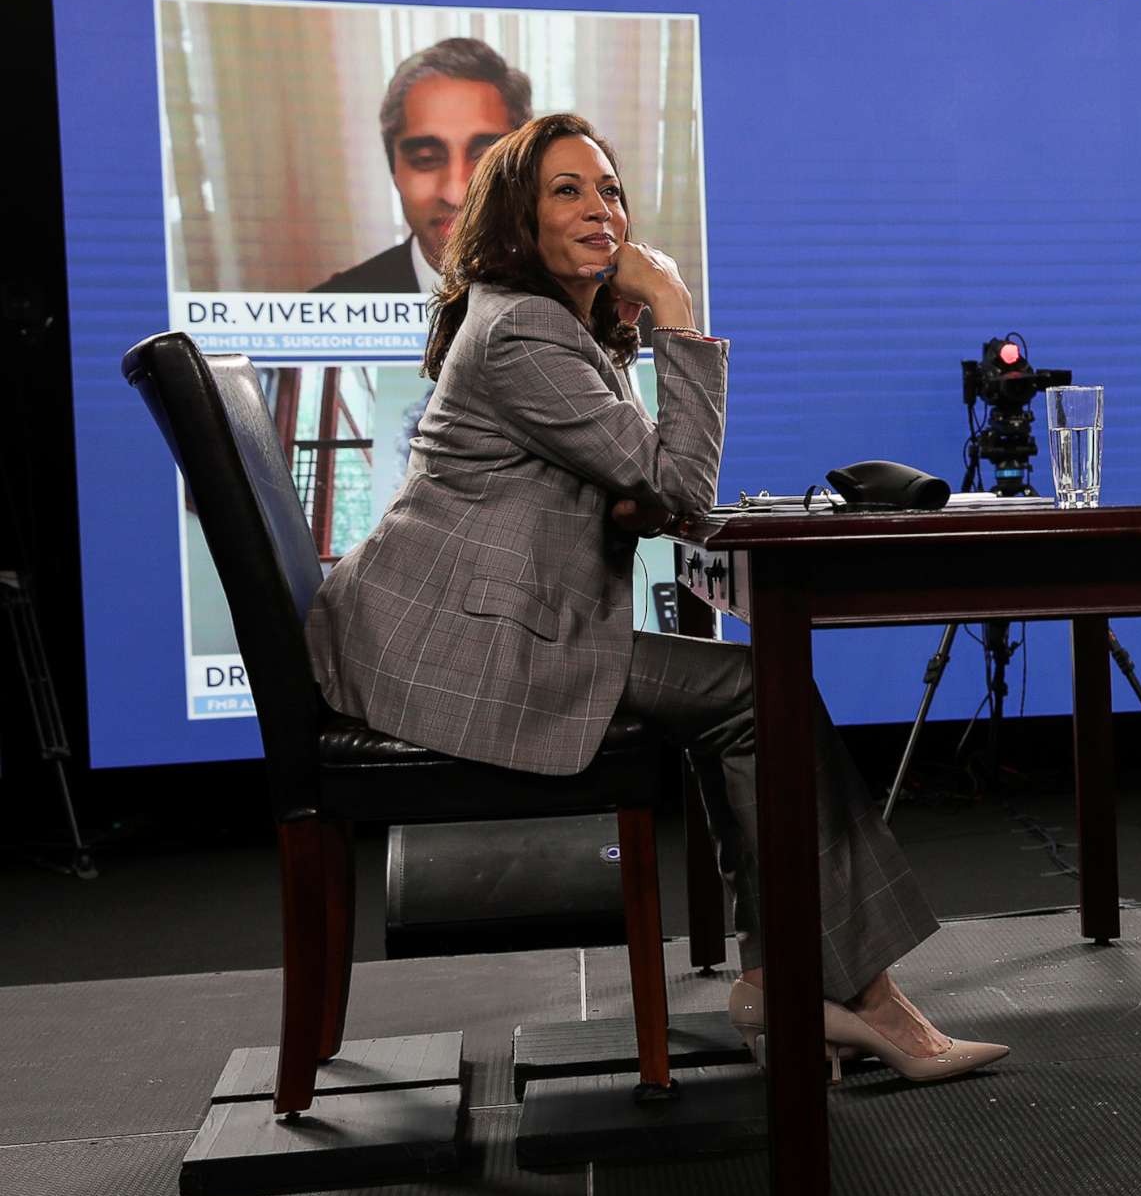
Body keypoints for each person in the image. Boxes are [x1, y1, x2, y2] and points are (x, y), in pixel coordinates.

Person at [304, 111, 1004, 1080]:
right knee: (759, 693)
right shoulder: (520, 335)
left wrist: (636, 410)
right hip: (462, 651)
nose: (604, 211)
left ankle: (808, 981)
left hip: (480, 631)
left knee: (755, 691)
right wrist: (673, 310)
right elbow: (682, 490)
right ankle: (836, 991)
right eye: (568, 191)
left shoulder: (544, 326)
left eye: (611, 190)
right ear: (518, 218)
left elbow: (647, 491)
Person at [312, 37, 531, 296]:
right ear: (394, 170)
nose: (456, 193)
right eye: (426, 159)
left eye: (484, 158)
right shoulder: (336, 301)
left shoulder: (575, 299)